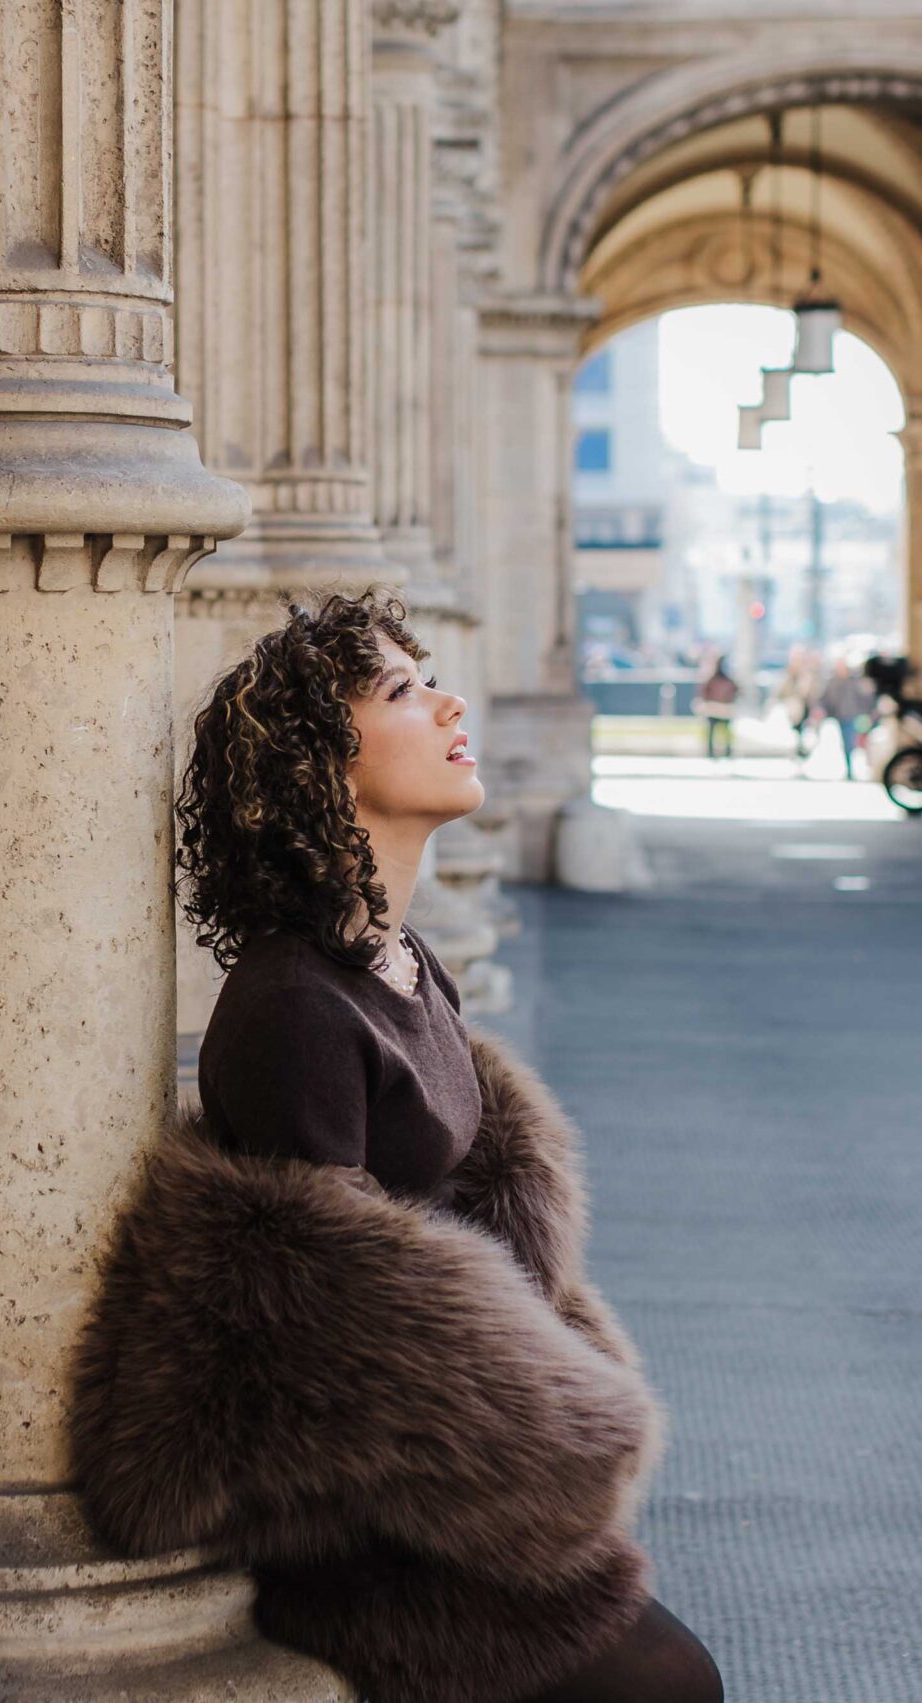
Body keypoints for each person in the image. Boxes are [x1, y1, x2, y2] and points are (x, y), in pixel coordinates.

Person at [72, 592, 723, 1703]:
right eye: (402, 692)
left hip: (446, 1478)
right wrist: (531, 1435)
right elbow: (316, 1323)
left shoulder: (404, 961)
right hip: (361, 1519)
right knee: (665, 1683)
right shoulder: (294, 1005)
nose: (448, 701)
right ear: (323, 769)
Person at [817, 657, 878, 780]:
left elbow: (865, 698)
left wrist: (869, 712)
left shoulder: (855, 681)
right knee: (847, 743)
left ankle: (861, 766)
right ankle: (850, 767)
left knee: (855, 741)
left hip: (855, 717)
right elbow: (825, 699)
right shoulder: (833, 682)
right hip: (841, 717)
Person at [695, 655, 741, 760]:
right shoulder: (715, 679)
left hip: (722, 709)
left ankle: (724, 752)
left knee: (723, 732)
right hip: (716, 709)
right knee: (715, 732)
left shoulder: (722, 679)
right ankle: (716, 753)